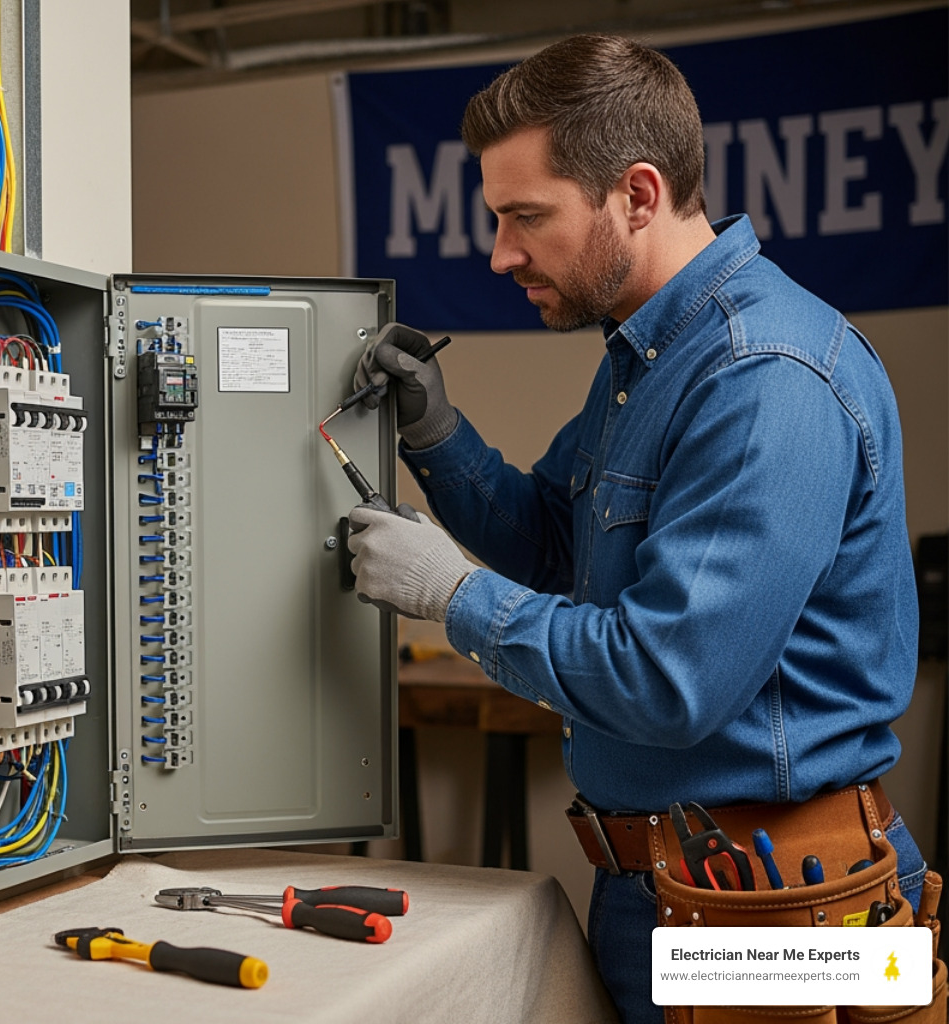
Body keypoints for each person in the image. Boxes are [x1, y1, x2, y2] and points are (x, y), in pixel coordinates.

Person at [345, 34, 926, 1023]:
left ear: (639, 194)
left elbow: (669, 678)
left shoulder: (764, 376)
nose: (500, 253)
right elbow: (563, 544)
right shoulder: (651, 355)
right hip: (669, 889)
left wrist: (453, 594)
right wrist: (434, 432)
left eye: (527, 217)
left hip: (782, 913)